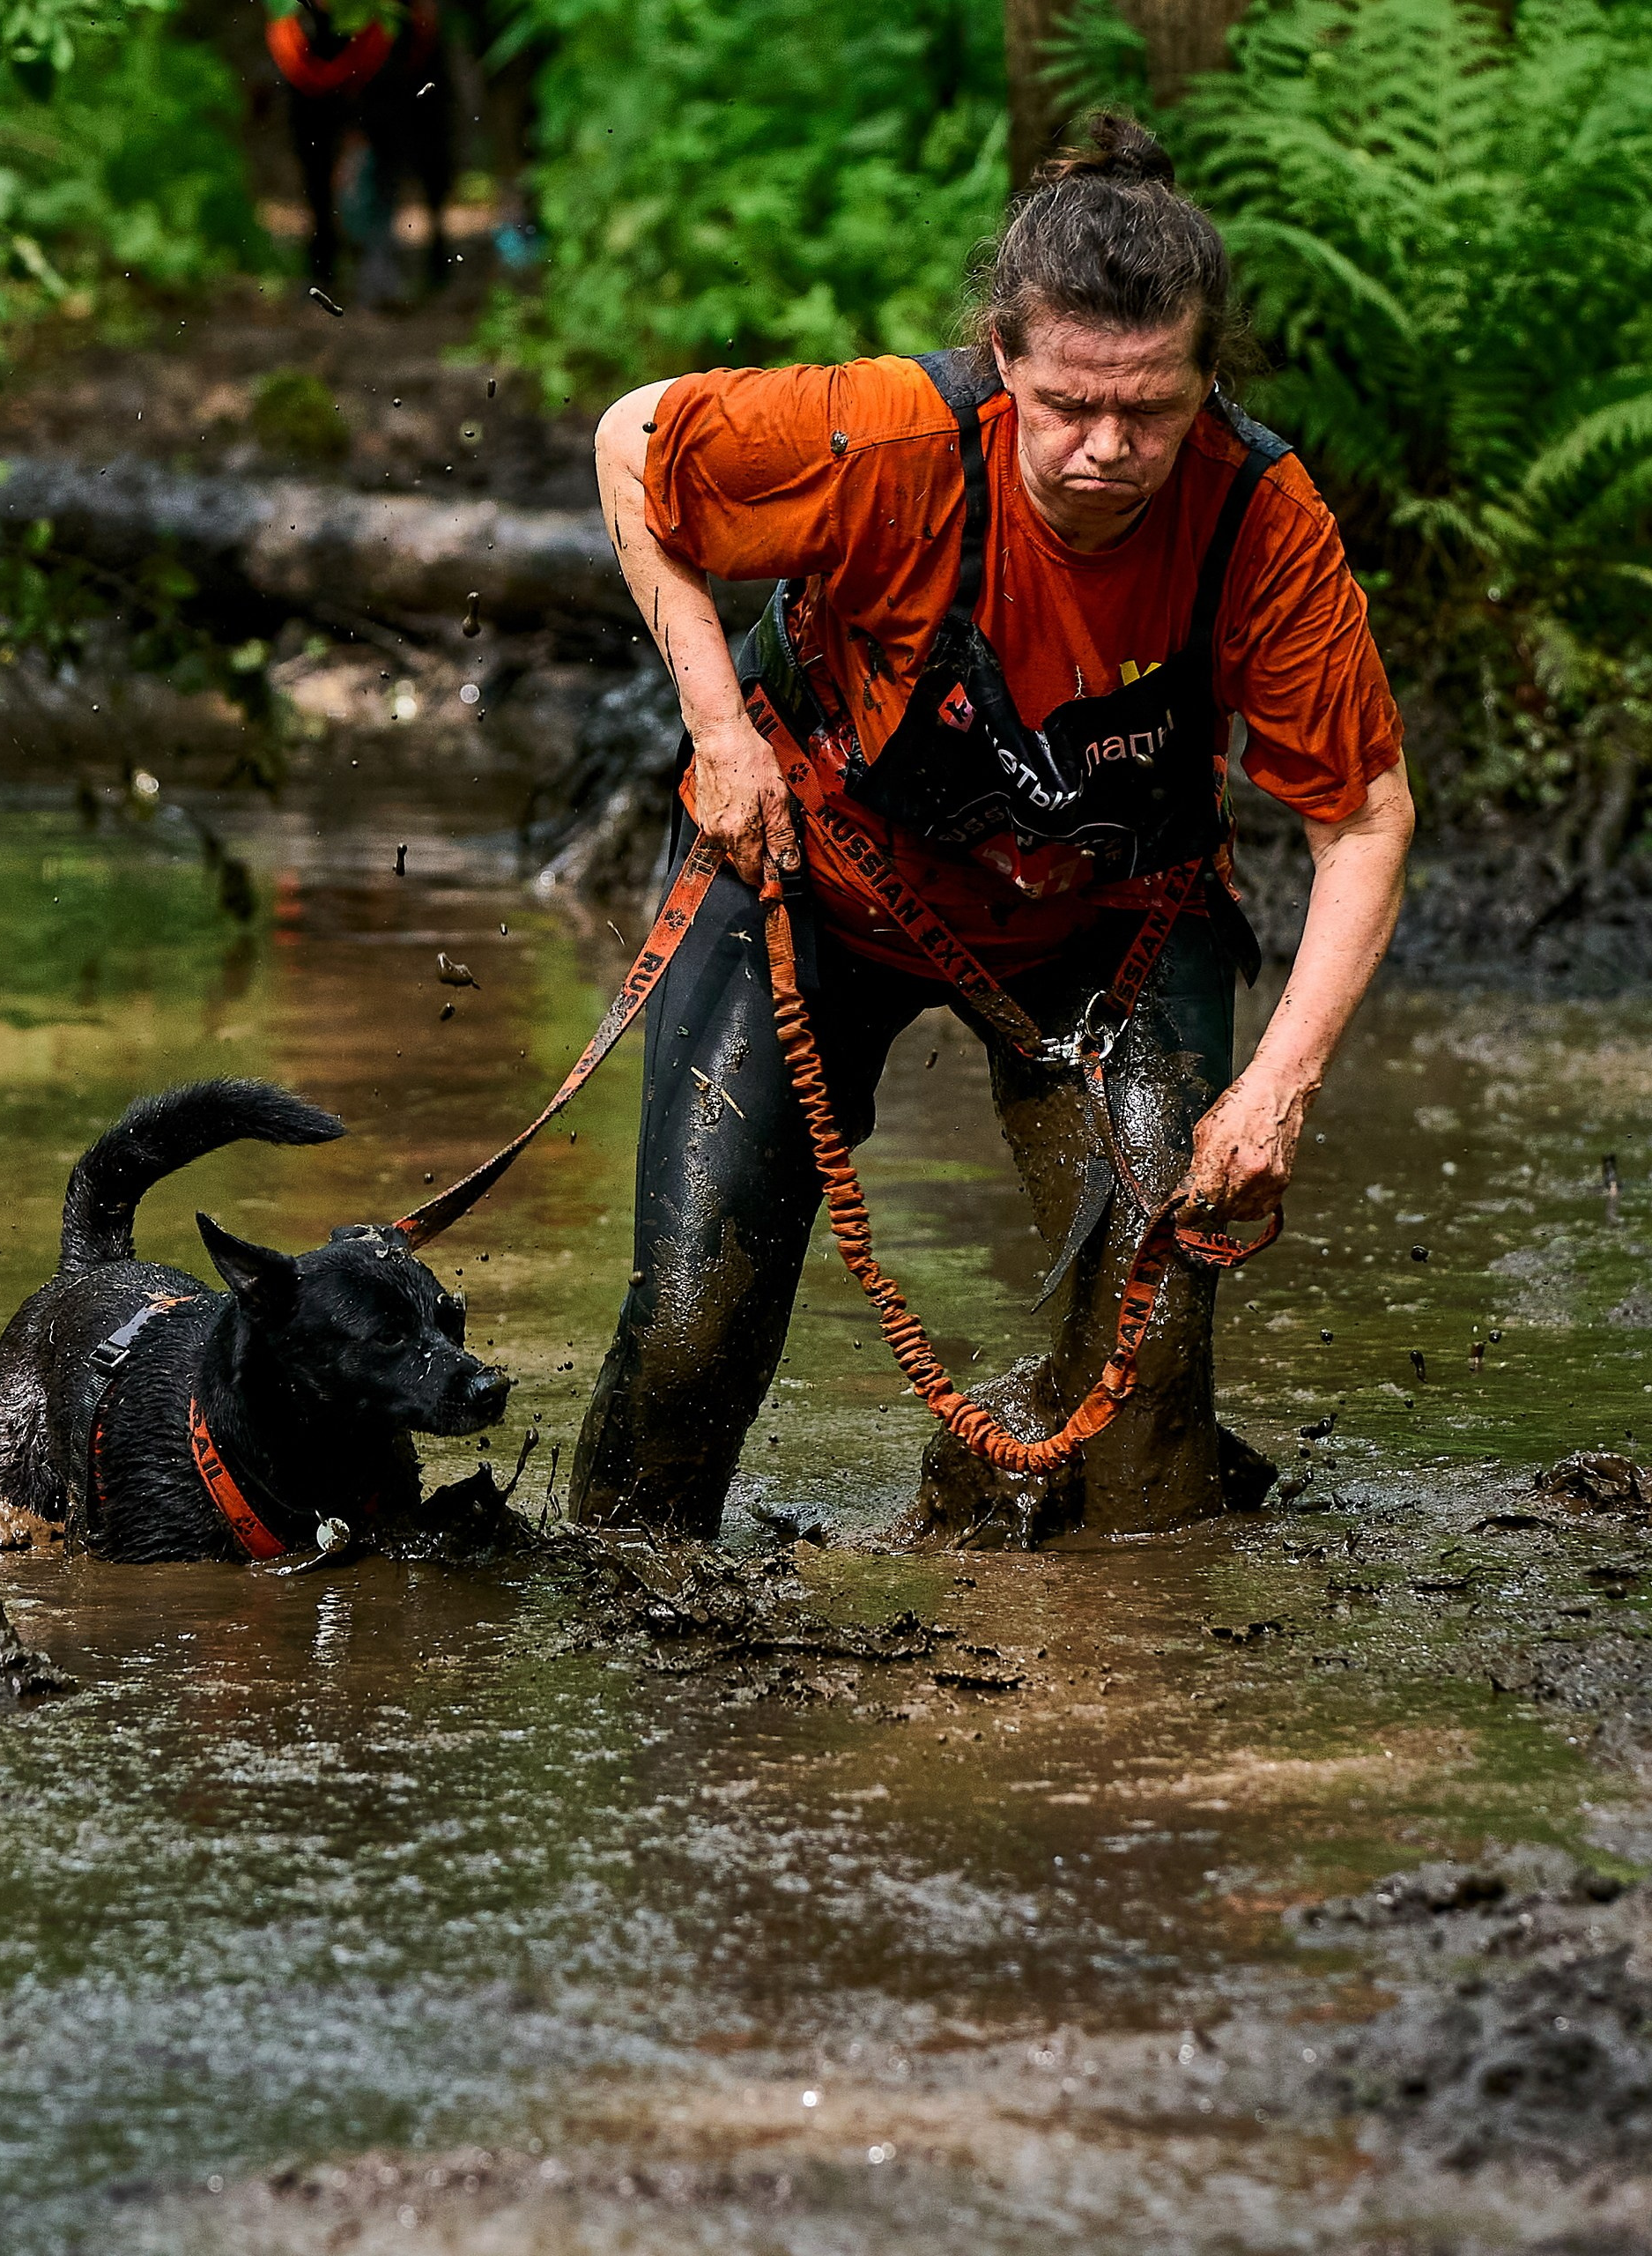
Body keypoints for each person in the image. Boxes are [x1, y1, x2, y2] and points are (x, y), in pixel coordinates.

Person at [570, 115, 1414, 1544]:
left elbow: (1365, 820)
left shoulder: (1261, 521)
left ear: (1209, 385)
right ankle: (627, 1638)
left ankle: (1103, 1690)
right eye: (1071, 405)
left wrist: (1278, 1088)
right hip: (808, 890)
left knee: (1151, 1364)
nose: (1105, 451)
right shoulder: (893, 438)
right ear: (1006, 360)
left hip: (1107, 936)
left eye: (1151, 412)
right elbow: (630, 437)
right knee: (696, 1328)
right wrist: (721, 732)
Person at [268, 0, 452, 305]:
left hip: (382, 23)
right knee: (314, 156)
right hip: (312, 31)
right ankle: (322, 263)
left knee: (402, 145)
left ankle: (397, 260)